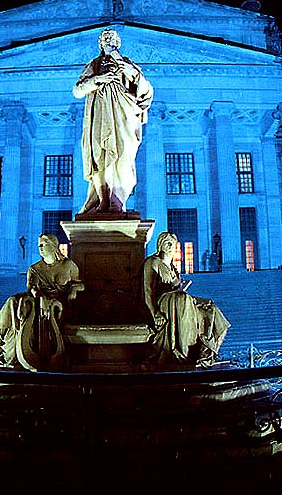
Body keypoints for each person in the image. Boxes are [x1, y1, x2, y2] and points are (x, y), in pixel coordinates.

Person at [73, 28, 153, 214]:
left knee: (123, 156)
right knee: (99, 155)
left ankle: (117, 199)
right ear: (100, 44)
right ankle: (103, 200)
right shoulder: (94, 65)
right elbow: (77, 90)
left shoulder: (127, 63)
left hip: (123, 115)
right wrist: (98, 79)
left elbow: (146, 90)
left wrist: (128, 69)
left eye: (112, 38)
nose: (109, 41)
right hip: (100, 115)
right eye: (105, 38)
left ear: (118, 43)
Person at [0, 234, 84, 368]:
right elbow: (31, 288)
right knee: (13, 301)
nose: (40, 248)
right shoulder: (34, 269)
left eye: (43, 244)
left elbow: (79, 284)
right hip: (38, 300)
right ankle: (0, 341)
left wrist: (73, 291)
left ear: (53, 245)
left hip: (59, 304)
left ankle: (2, 342)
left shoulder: (68, 265)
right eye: (39, 245)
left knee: (21, 304)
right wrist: (38, 294)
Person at [141, 232, 230, 367]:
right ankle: (183, 353)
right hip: (164, 303)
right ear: (160, 245)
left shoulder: (172, 268)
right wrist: (155, 314)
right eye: (167, 243)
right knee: (182, 299)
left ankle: (205, 352)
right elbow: (148, 291)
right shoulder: (152, 262)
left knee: (209, 308)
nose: (171, 247)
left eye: (173, 244)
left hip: (177, 301)